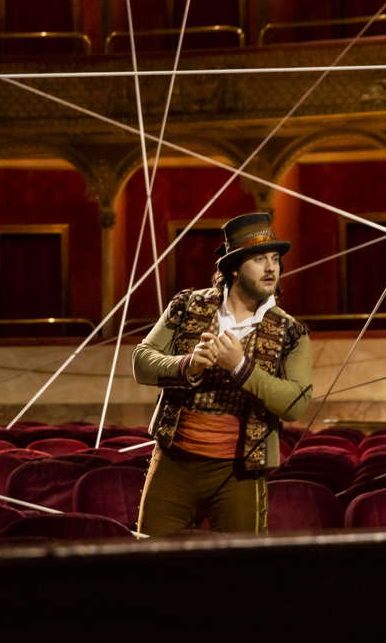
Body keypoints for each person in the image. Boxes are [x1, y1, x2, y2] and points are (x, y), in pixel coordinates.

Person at [132, 212, 312, 536]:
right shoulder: (186, 305)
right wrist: (187, 364)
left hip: (240, 470)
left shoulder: (290, 330)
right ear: (233, 267)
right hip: (174, 461)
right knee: (150, 557)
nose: (271, 267)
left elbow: (296, 404)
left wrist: (241, 368)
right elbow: (141, 361)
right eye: (259, 259)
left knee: (241, 569)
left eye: (275, 259)